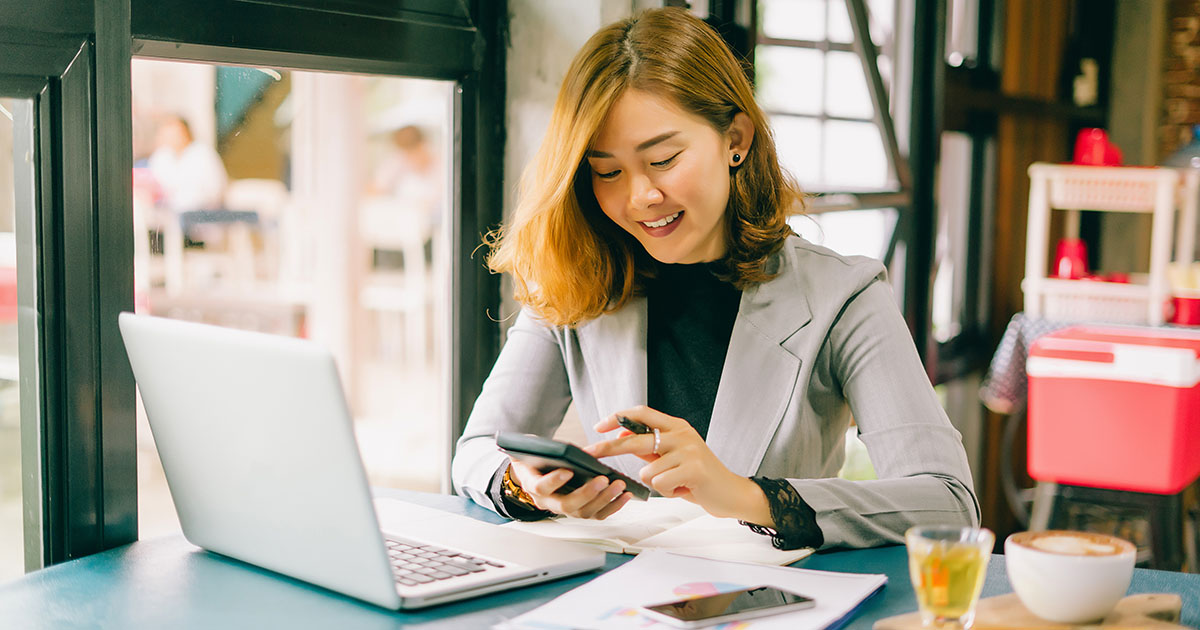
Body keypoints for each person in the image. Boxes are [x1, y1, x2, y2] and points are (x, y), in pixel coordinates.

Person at [451, 8, 979, 550]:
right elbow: (474, 451)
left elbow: (947, 500)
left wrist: (745, 495)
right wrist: (529, 487)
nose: (641, 198)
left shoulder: (843, 296)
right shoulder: (579, 275)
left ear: (736, 140)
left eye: (663, 158)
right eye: (607, 171)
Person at [146, 114, 228, 214]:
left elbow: (216, 188)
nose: (171, 138)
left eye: (175, 133)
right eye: (167, 134)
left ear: (186, 133)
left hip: (202, 210)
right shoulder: (160, 156)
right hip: (168, 211)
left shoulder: (202, 153)